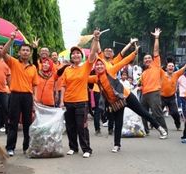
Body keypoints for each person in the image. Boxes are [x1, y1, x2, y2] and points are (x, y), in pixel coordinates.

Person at [88, 40, 167, 153]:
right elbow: (84, 78)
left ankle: (160, 128)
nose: (99, 66)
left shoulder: (110, 70)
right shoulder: (96, 78)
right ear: (95, 68)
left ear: (104, 66)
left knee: (142, 112)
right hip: (116, 103)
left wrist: (134, 53)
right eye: (97, 65)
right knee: (118, 123)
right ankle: (117, 145)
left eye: (101, 64)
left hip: (127, 96)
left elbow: (124, 61)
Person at [59, 30, 98, 158]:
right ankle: (73, 147)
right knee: (70, 126)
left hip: (81, 101)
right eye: (73, 54)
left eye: (77, 53)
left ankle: (86, 149)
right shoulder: (67, 70)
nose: (75, 55)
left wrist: (95, 39)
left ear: (81, 56)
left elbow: (92, 54)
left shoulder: (85, 67)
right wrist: (61, 101)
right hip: (68, 101)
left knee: (82, 126)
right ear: (71, 57)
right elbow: (63, 85)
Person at [2, 32, 38, 156]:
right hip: (15, 96)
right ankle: (10, 147)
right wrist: (11, 39)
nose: (25, 52)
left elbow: (34, 86)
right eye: (23, 50)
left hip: (27, 97)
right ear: (19, 52)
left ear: (30, 53)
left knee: (28, 123)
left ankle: (26, 147)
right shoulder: (13, 62)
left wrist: (35, 99)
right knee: (13, 122)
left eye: (27, 50)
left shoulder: (33, 68)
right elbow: (3, 53)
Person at [140, 28, 168, 135]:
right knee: (142, 112)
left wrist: (156, 37)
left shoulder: (156, 65)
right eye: (145, 59)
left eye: (149, 58)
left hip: (154, 93)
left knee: (157, 113)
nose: (147, 60)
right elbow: (141, 84)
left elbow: (156, 51)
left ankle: (164, 130)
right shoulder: (144, 72)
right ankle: (145, 130)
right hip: (144, 94)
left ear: (152, 59)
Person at [160, 56, 186, 130]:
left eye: (172, 66)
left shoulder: (176, 74)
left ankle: (178, 125)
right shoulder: (162, 73)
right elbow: (156, 66)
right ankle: (152, 124)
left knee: (175, 113)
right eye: (169, 66)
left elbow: (185, 67)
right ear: (166, 68)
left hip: (171, 98)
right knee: (157, 112)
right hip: (161, 97)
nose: (171, 67)